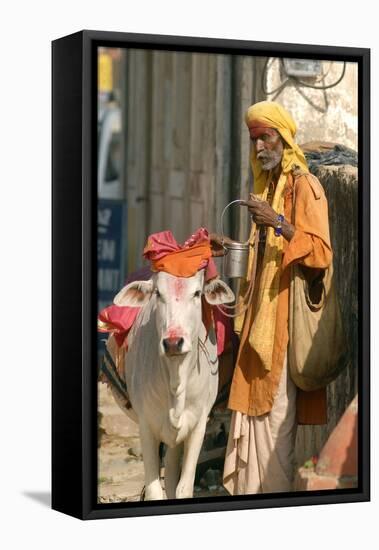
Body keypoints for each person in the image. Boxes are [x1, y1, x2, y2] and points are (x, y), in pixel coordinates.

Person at [210, 101, 333, 495]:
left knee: (275, 430)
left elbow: (321, 253)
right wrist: (229, 246)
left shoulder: (305, 187)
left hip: (283, 331)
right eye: (255, 139)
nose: (261, 146)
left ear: (283, 138)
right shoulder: (266, 190)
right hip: (256, 327)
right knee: (253, 423)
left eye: (267, 137)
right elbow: (262, 258)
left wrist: (278, 223)